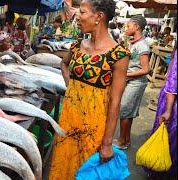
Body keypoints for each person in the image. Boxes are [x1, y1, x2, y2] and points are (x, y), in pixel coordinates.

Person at [49, 0, 130, 179]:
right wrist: (72, 87)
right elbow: (64, 64)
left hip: (94, 128)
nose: (77, 17)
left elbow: (115, 102)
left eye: (82, 12)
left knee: (85, 171)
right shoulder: (77, 46)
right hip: (68, 121)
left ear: (98, 17)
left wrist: (107, 143)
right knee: (63, 167)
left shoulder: (119, 54)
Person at [113, 15, 150, 150]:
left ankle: (122, 141)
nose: (126, 28)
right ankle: (126, 139)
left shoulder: (142, 46)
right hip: (130, 81)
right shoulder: (133, 42)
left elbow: (146, 69)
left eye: (128, 26)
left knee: (124, 110)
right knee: (128, 111)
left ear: (137, 27)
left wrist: (126, 74)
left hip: (136, 82)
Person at [143, 48, 177, 179]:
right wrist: (168, 111)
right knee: (168, 138)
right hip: (172, 104)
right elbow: (172, 85)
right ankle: (160, 171)